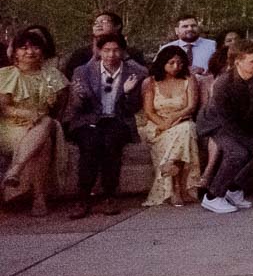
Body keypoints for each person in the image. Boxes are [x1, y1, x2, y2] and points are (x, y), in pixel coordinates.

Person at [64, 32, 149, 218]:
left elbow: (132, 109)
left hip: (118, 119)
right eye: (107, 50)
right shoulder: (83, 72)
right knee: (90, 144)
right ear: (99, 51)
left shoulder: (135, 73)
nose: (111, 55)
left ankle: (110, 195)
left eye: (116, 50)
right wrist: (80, 97)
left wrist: (127, 93)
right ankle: (83, 197)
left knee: (112, 143)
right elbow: (77, 108)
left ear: (123, 52)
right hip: (89, 120)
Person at [196, 40, 253, 214]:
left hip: (245, 120)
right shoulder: (223, 84)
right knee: (237, 153)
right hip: (217, 123)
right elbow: (229, 125)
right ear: (237, 62)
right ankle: (212, 196)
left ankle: (234, 189)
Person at [0, 27, 70, 217]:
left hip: (42, 124)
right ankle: (39, 198)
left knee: (47, 123)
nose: (29, 52)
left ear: (43, 50)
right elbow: (4, 108)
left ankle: (16, 171)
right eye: (23, 48)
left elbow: (61, 107)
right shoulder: (7, 74)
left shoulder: (52, 75)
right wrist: (28, 115)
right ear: (14, 52)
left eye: (34, 47)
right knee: (44, 142)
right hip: (12, 125)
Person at [138, 45, 201, 207]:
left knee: (186, 129)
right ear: (162, 63)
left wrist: (175, 118)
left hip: (181, 120)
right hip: (157, 125)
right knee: (184, 133)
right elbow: (149, 112)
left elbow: (191, 107)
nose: (176, 67)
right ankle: (177, 188)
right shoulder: (151, 82)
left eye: (179, 63)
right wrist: (165, 124)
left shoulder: (189, 79)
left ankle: (175, 185)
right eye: (171, 63)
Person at [63, 11, 144, 75]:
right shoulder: (80, 54)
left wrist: (125, 57)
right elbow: (73, 77)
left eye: (103, 21)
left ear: (117, 26)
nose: (98, 25)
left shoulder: (132, 53)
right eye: (95, 23)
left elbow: (143, 74)